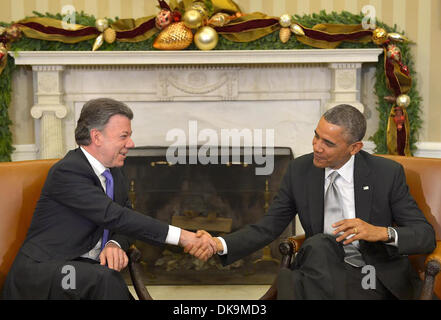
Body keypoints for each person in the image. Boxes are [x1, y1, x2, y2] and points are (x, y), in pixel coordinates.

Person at [191, 104, 436, 300]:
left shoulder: (386, 173)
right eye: (316, 136)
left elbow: (424, 235)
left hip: (370, 273)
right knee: (318, 246)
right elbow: (268, 226)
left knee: (294, 282)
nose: (316, 147)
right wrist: (218, 243)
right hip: (323, 268)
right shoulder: (300, 170)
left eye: (328, 143)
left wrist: (379, 232)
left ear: (355, 147)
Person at [2, 98, 216, 300]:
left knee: (100, 278)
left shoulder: (113, 171)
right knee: (103, 279)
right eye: (123, 136)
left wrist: (114, 243)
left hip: (83, 267)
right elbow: (114, 216)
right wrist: (184, 237)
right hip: (47, 272)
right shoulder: (68, 171)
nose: (131, 143)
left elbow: (126, 220)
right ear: (97, 137)